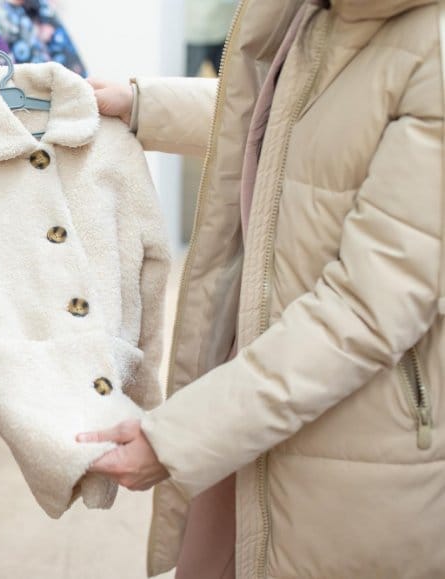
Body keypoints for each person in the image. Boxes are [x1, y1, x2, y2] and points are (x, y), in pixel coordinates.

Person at [78, 1, 445, 578]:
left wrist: (179, 436)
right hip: (254, 391)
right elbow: (286, 121)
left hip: (356, 430)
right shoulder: (322, 13)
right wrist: (141, 104)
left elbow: (368, 309)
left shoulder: (432, 48)